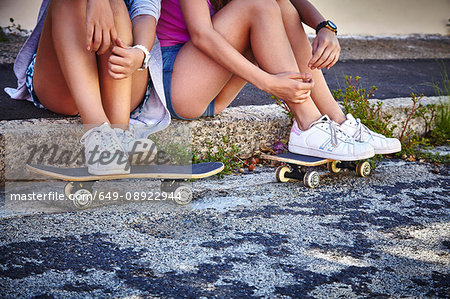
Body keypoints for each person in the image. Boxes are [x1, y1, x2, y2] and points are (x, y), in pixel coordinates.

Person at [156, 0, 401, 160]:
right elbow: (202, 35)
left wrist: (325, 27)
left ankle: (337, 121)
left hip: (210, 91)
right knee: (256, 5)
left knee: (281, 5)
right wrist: (268, 83)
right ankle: (308, 123)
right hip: (174, 82)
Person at [5, 0, 170, 175]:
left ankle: (120, 133)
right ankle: (98, 134)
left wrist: (140, 53)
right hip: (65, 84)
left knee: (115, 4)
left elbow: (146, 10)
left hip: (122, 84)